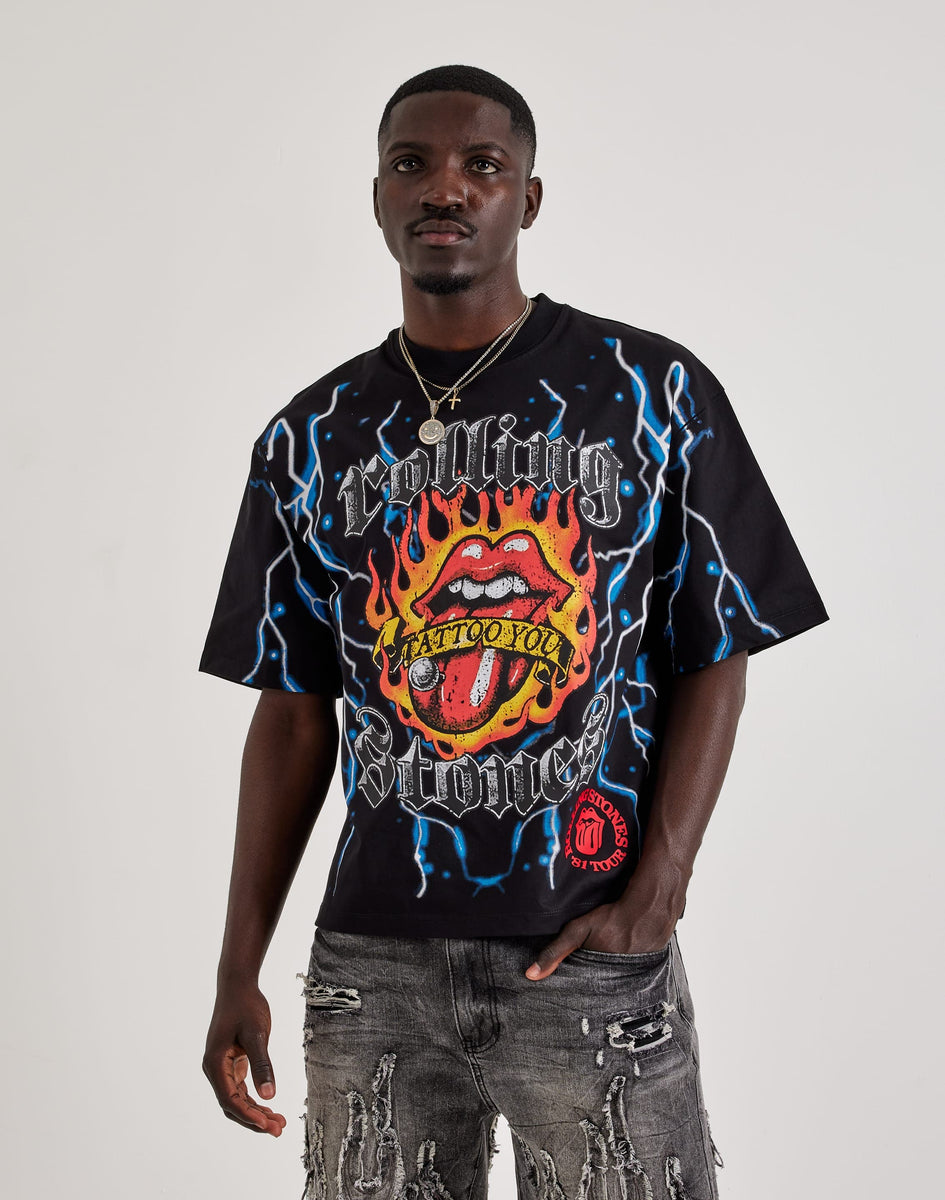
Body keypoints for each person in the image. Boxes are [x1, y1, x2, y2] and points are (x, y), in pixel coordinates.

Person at [200, 64, 827, 1199]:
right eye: (412, 165)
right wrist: (237, 965)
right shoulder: (308, 437)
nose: (445, 188)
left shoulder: (651, 392)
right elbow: (291, 717)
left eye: (481, 165)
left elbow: (716, 646)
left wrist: (658, 890)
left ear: (527, 199)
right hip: (372, 966)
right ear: (378, 197)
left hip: (584, 950)